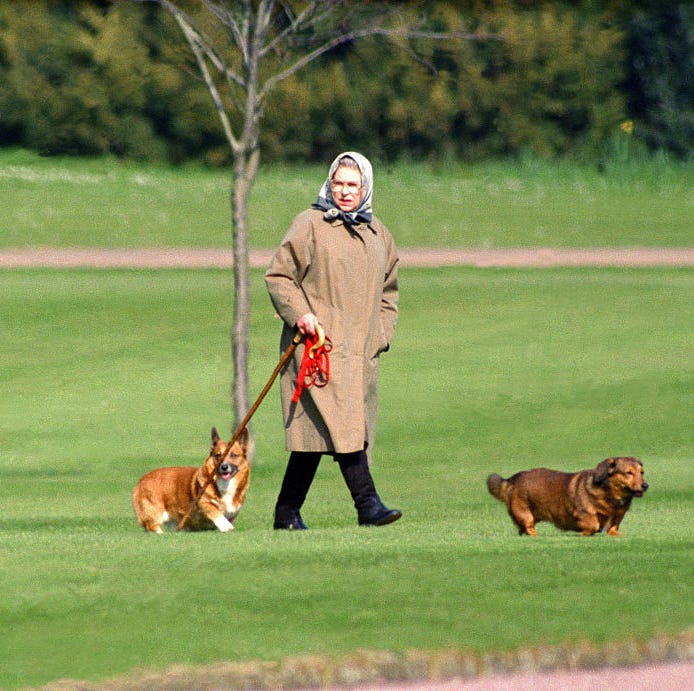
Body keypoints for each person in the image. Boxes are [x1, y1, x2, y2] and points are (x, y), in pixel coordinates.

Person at [265, 151, 402, 530]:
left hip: (360, 355)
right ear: (329, 183)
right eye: (338, 183)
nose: (344, 191)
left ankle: (286, 513)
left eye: (352, 185)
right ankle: (368, 506)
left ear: (365, 188)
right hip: (315, 352)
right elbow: (279, 276)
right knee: (346, 428)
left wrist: (381, 336)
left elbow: (389, 292)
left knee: (318, 437)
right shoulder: (309, 224)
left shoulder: (379, 235)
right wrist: (301, 315)